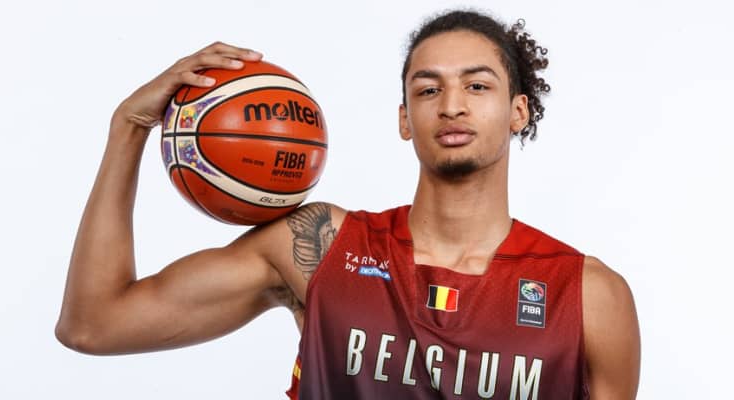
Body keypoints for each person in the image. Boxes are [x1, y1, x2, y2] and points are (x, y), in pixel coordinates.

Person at [55, 9, 640, 399]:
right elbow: (92, 324)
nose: (451, 105)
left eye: (477, 85)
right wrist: (128, 127)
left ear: (518, 111)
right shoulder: (321, 246)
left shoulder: (587, 296)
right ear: (405, 119)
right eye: (428, 89)